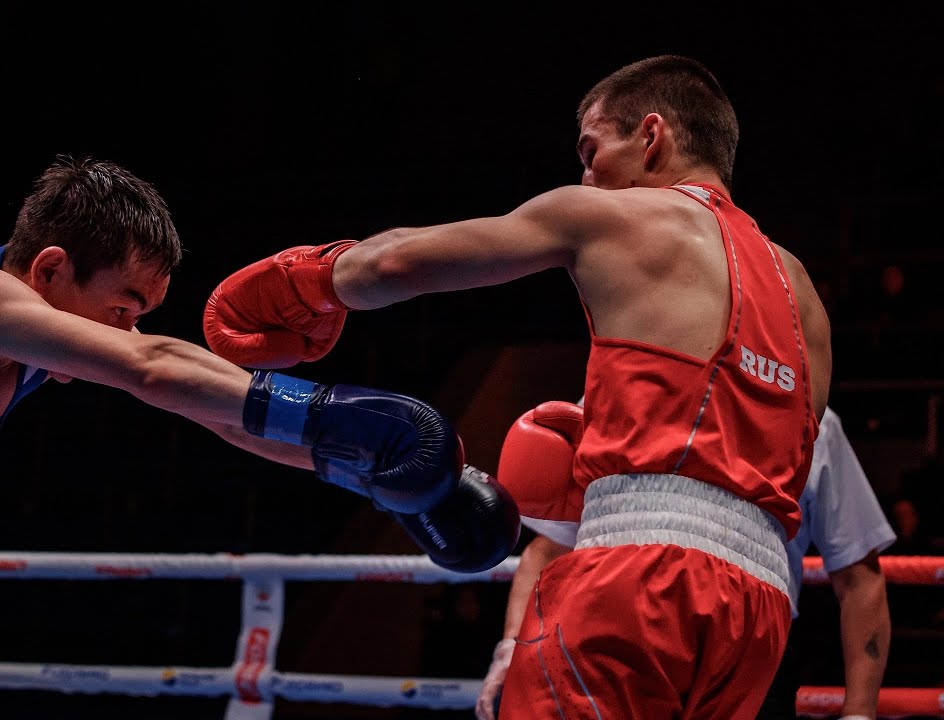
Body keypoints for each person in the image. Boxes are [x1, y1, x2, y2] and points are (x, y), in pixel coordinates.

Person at [0, 155, 518, 719]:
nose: (126, 329)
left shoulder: (30, 340)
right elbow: (148, 368)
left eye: (135, 315)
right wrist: (336, 411)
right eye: (121, 306)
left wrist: (378, 473)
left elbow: (197, 400)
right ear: (48, 271)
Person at [203, 55, 832, 717]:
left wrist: (309, 284)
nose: (585, 176)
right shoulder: (804, 297)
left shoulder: (617, 218)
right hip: (759, 609)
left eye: (592, 151)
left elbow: (394, 260)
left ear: (652, 137)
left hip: (637, 577)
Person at [473, 406, 896, 720]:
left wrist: (859, 713)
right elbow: (548, 549)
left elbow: (859, 576)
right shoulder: (614, 396)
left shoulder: (811, 419)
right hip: (617, 622)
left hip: (753, 645)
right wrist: (511, 646)